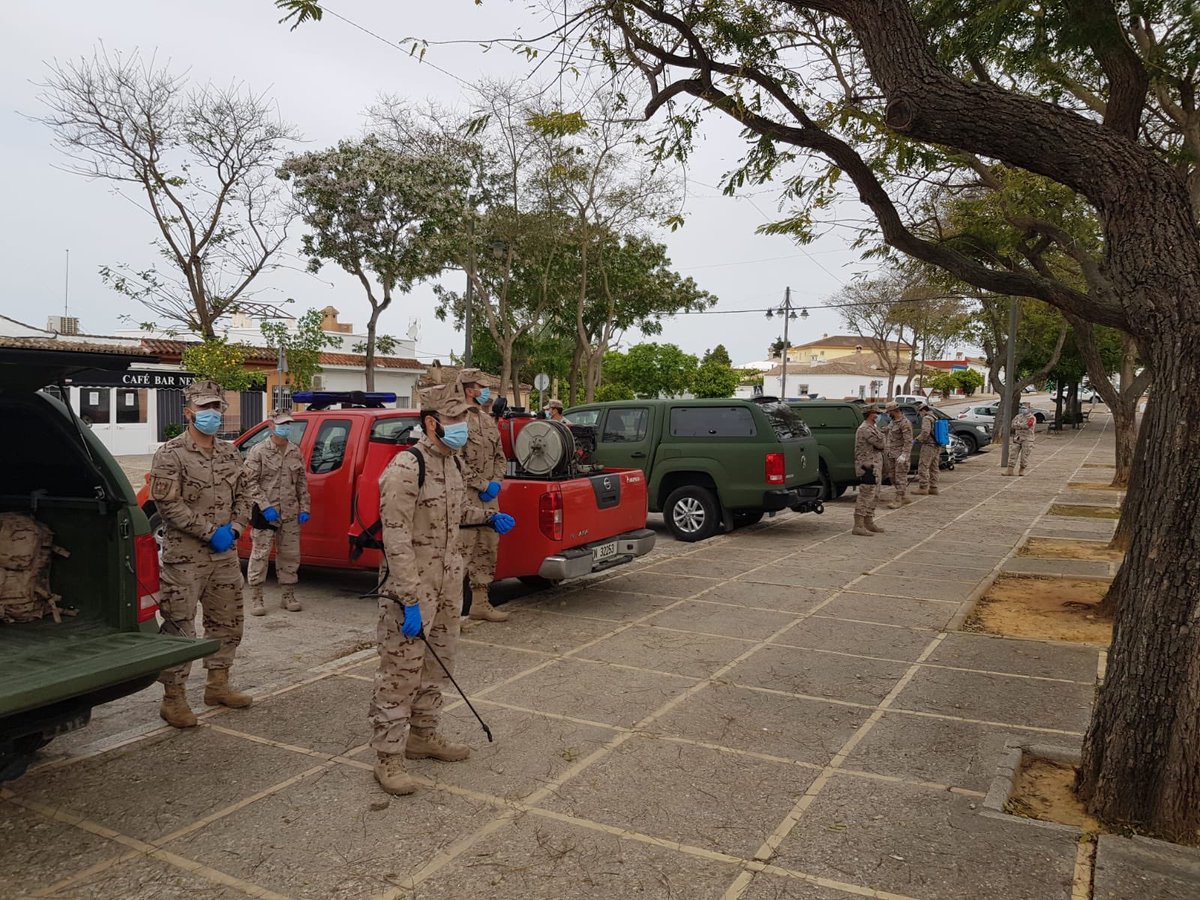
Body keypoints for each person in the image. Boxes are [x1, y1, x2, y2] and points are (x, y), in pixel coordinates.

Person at [370, 383, 517, 796]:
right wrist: (408, 598)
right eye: (455, 421)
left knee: (439, 666)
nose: (462, 428)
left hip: (449, 584)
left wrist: (487, 517)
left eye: (465, 420)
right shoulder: (405, 468)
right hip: (412, 590)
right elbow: (395, 538)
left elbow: (452, 514)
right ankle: (388, 758)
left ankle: (423, 736)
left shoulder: (452, 464)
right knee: (400, 672)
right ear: (432, 422)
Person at [148, 380, 252, 728]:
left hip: (224, 556)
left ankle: (218, 685)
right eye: (204, 408)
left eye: (216, 407)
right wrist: (211, 533)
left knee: (227, 620)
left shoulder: (230, 453)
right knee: (180, 627)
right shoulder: (170, 453)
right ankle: (173, 699)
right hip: (185, 558)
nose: (211, 414)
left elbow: (244, 495)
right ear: (188, 412)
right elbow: (167, 505)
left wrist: (235, 529)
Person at [242, 410, 311, 617]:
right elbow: (249, 482)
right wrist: (265, 506)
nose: (286, 428)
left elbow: (301, 482)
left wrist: (305, 507)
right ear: (271, 426)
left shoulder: (294, 451)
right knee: (260, 555)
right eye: (282, 424)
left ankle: (287, 595)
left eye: (289, 424)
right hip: (266, 513)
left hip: (290, 512)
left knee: (290, 555)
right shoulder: (259, 451)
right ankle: (256, 596)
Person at [457, 369, 509, 624]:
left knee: (487, 548)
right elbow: (455, 461)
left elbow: (501, 455)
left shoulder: (488, 420)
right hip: (465, 498)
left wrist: (496, 483)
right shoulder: (454, 419)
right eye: (482, 386)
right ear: (470, 389)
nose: (486, 391)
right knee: (461, 554)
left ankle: (480, 604)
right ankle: (450, 616)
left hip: (490, 498)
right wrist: (480, 484)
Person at [853, 404, 887, 536]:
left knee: (875, 494)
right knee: (866, 494)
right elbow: (881, 444)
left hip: (875, 466)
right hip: (867, 467)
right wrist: (883, 435)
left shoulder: (873, 427)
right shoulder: (865, 429)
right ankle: (858, 525)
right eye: (875, 413)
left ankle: (869, 521)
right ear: (869, 414)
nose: (877, 416)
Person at [882, 402, 914, 509]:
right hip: (891, 454)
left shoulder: (905, 423)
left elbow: (908, 441)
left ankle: (899, 499)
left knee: (900, 477)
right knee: (892, 477)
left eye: (889, 412)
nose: (887, 414)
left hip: (900, 455)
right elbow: (887, 430)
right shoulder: (893, 422)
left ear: (894, 411)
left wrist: (905, 455)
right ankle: (903, 496)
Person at [912, 403, 940, 496]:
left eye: (919, 413)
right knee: (934, 467)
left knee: (923, 466)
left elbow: (925, 432)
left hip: (928, 445)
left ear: (923, 410)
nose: (920, 415)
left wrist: (916, 440)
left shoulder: (926, 418)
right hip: (937, 445)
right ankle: (933, 487)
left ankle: (923, 487)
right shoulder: (935, 417)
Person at [1004, 403, 1037, 476]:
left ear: (1029, 409)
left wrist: (1019, 425)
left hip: (1027, 439)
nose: (1023, 409)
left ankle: (1022, 469)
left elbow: (1027, 426)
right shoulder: (1018, 416)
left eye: (1025, 408)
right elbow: (1013, 425)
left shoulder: (1032, 418)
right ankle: (1010, 470)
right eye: (1022, 408)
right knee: (1013, 454)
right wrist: (1020, 425)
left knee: (1024, 456)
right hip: (1017, 438)